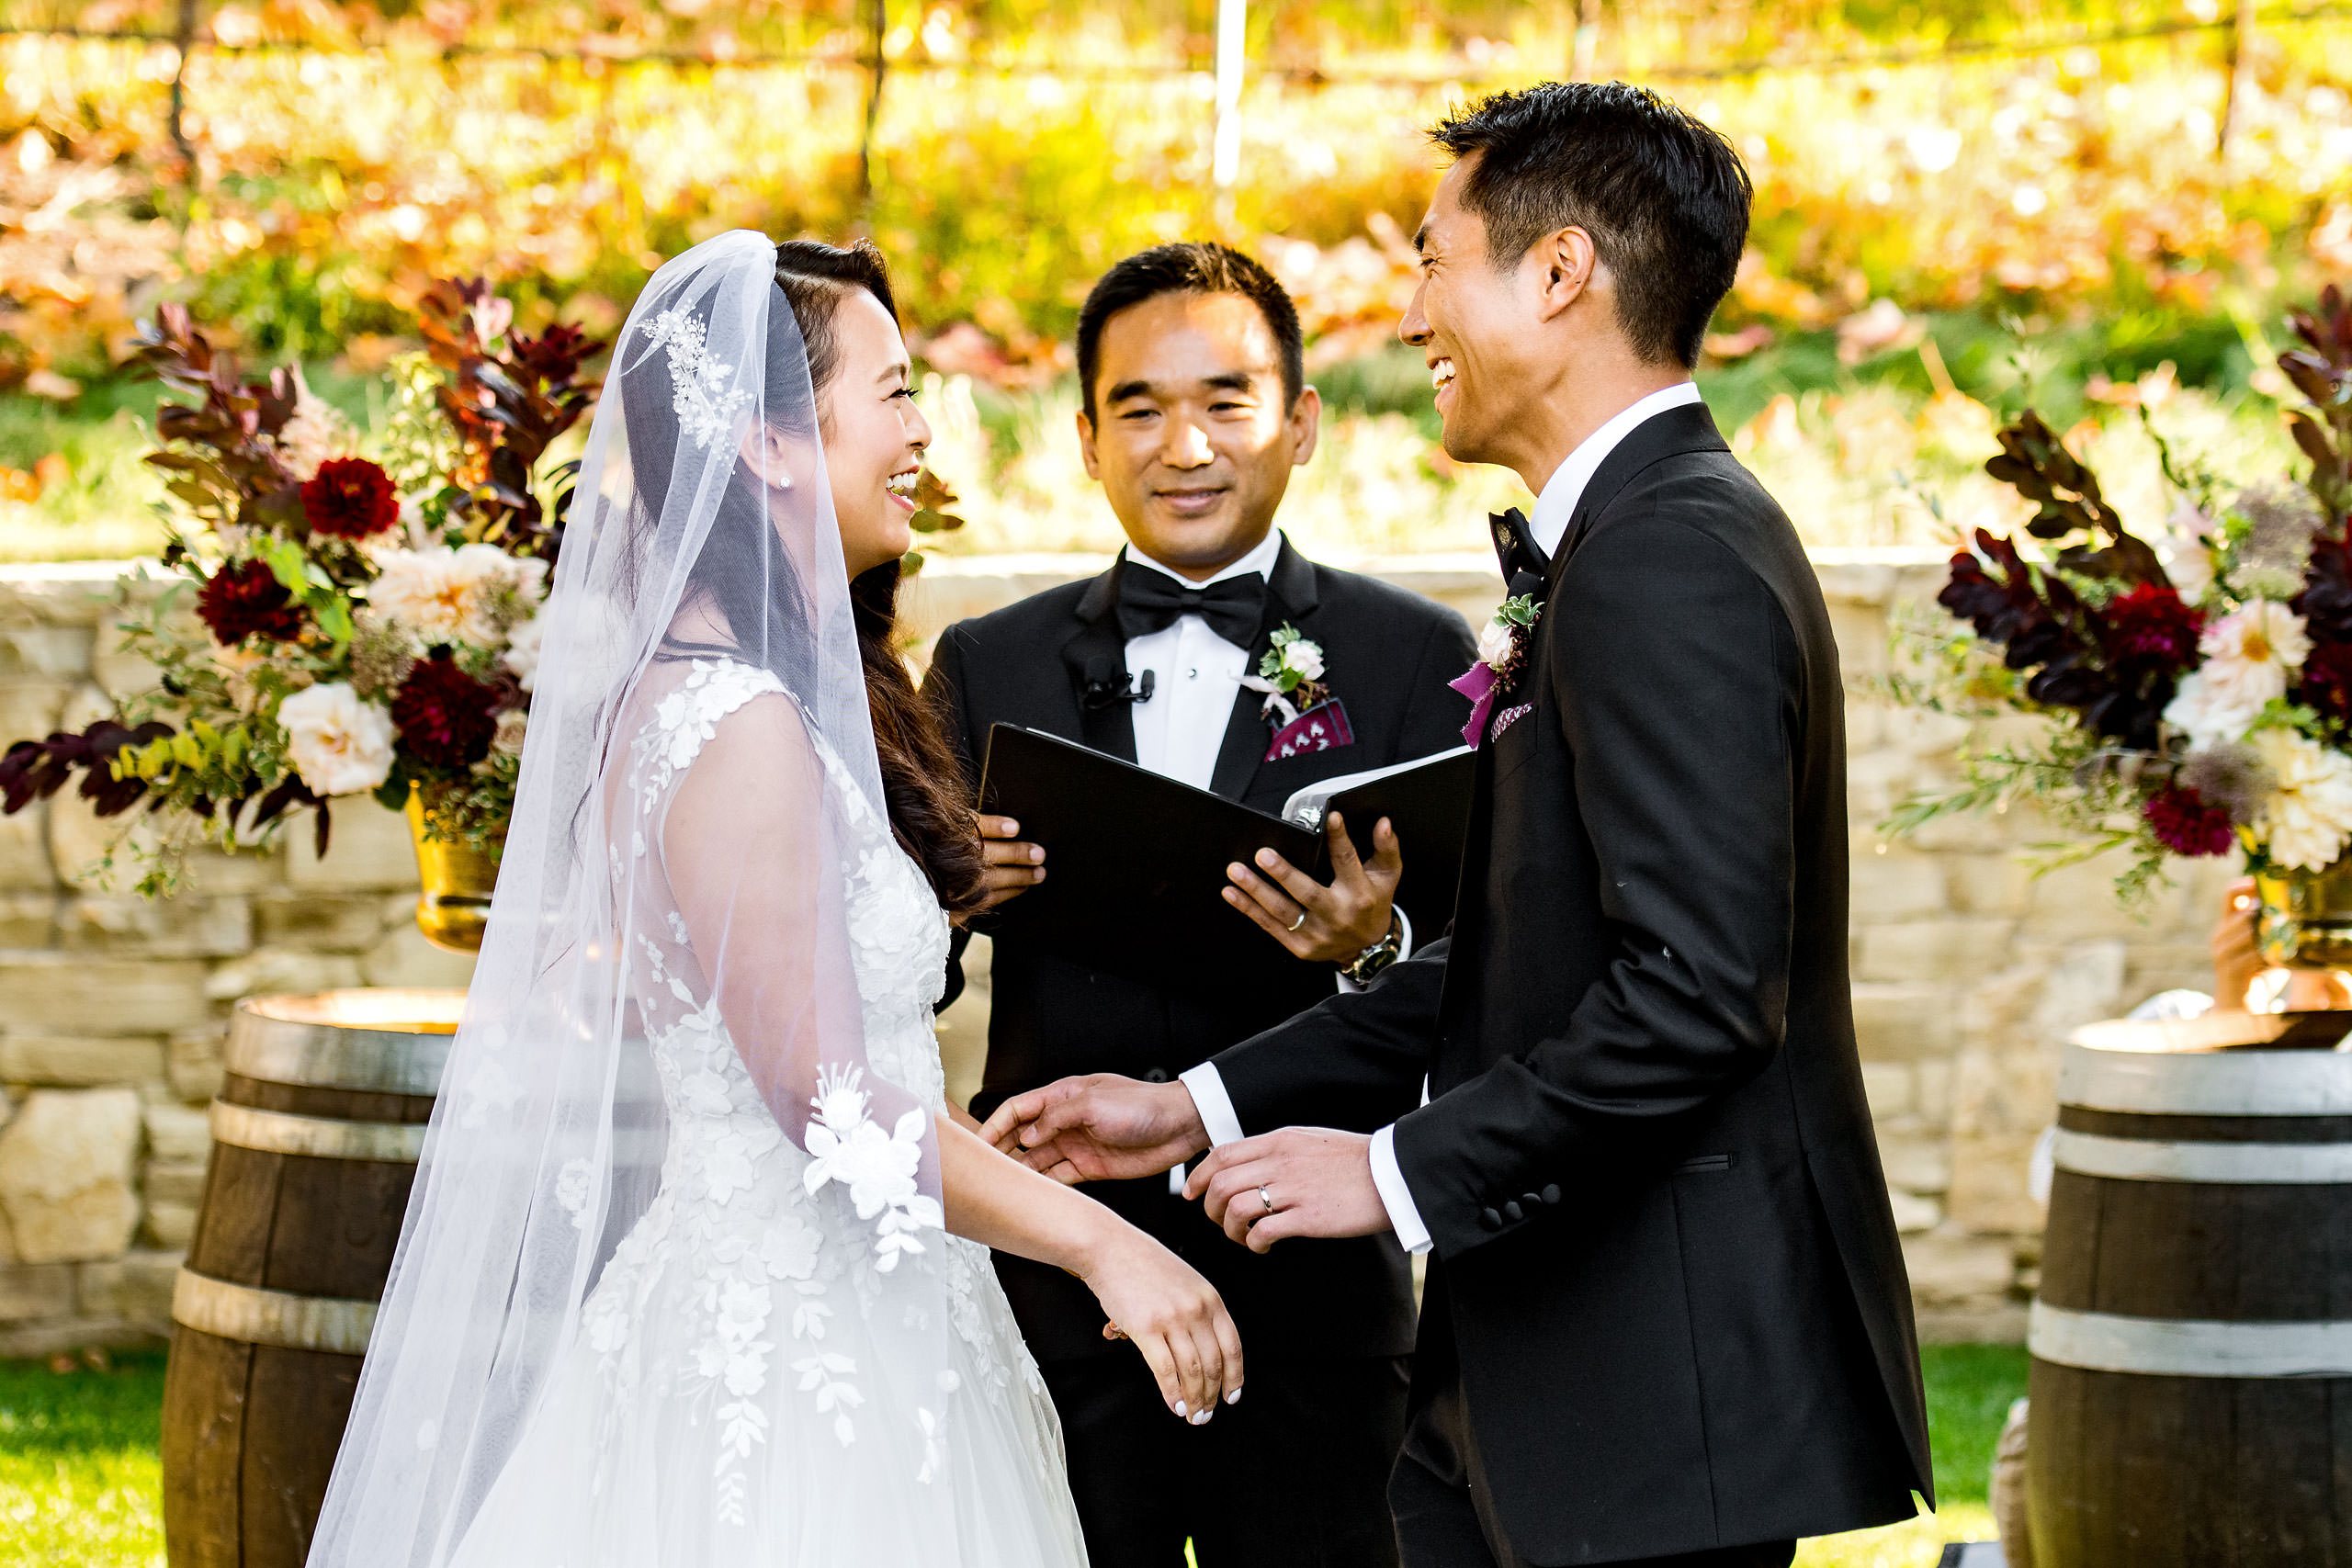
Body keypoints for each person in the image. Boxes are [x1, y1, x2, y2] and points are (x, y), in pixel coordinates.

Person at [984, 85, 1934, 1567]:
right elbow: (1516, 957)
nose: (1413, 312)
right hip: (1552, 1378)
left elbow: (1696, 994)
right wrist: (1198, 1108)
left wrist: (1389, 1171)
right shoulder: (1633, 538)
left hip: (1649, 1396)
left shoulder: (1667, 554)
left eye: (1434, 260)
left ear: (1558, 278)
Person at [308, 232, 1244, 1568]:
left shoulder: (744, 696)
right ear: (769, 443)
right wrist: (1109, 1251)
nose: (926, 429)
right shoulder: (733, 718)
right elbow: (831, 1107)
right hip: (795, 1360)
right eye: (898, 390)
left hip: (871, 1305)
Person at [922, 242, 1477, 1568]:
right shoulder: (986, 662)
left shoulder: (1415, 657)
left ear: (1301, 422)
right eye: (1140, 408)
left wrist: (1373, 942)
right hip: (1061, 1282)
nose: (1186, 446)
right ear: (1084, 438)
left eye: (1226, 402)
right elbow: (886, 974)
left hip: (1316, 1297)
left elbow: (1472, 968)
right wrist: (949, 901)